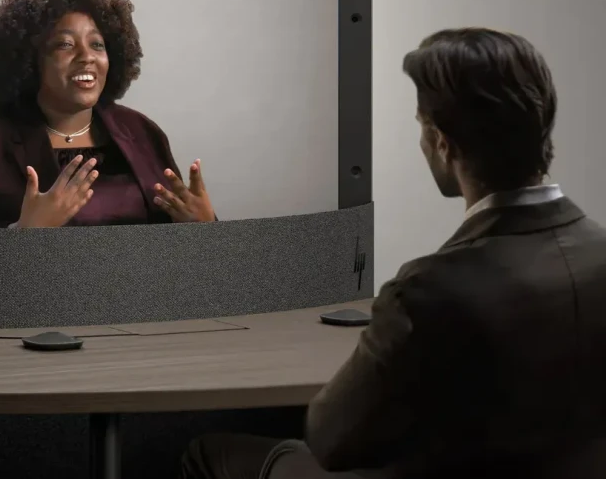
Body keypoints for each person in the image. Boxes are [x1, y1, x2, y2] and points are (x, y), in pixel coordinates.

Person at [180, 28, 606, 478]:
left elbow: (330, 439)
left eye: (422, 125)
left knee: (208, 453)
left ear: (442, 141)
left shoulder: (427, 293)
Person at [0, 0, 217, 229]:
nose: (86, 57)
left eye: (97, 44)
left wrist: (206, 227)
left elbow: (185, 249)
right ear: (31, 59)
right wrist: (22, 234)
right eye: (65, 44)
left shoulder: (142, 132)